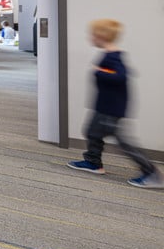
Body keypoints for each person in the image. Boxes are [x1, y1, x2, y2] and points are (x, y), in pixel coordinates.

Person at [67, 19, 163, 188]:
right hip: (104, 106)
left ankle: (152, 173)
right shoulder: (108, 54)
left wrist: (99, 72)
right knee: (92, 132)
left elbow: (121, 76)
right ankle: (93, 162)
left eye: (92, 35)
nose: (90, 37)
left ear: (100, 36)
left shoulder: (113, 56)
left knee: (124, 143)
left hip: (111, 109)